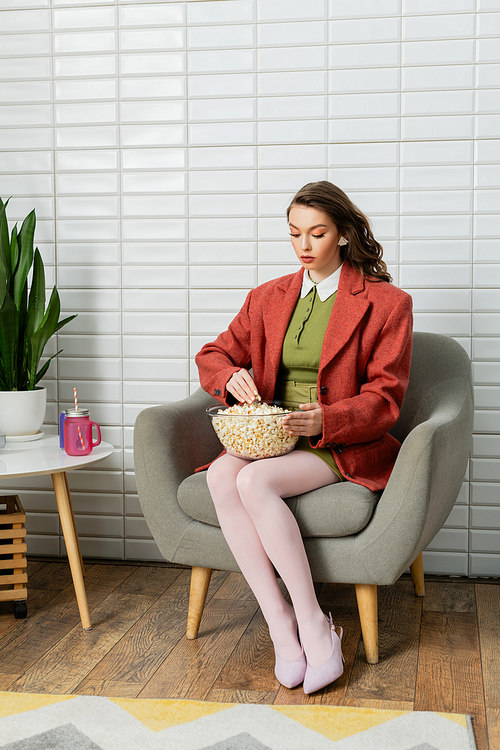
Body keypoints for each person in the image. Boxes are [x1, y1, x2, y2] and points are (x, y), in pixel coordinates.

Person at [195, 181, 413, 695]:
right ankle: (281, 624)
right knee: (223, 476)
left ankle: (315, 622)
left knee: (254, 484)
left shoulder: (387, 304)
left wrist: (327, 420)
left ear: (342, 234)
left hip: (339, 441)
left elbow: (386, 398)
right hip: (272, 434)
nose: (304, 246)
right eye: (295, 234)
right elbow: (213, 353)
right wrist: (228, 376)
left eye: (317, 233)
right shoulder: (267, 297)